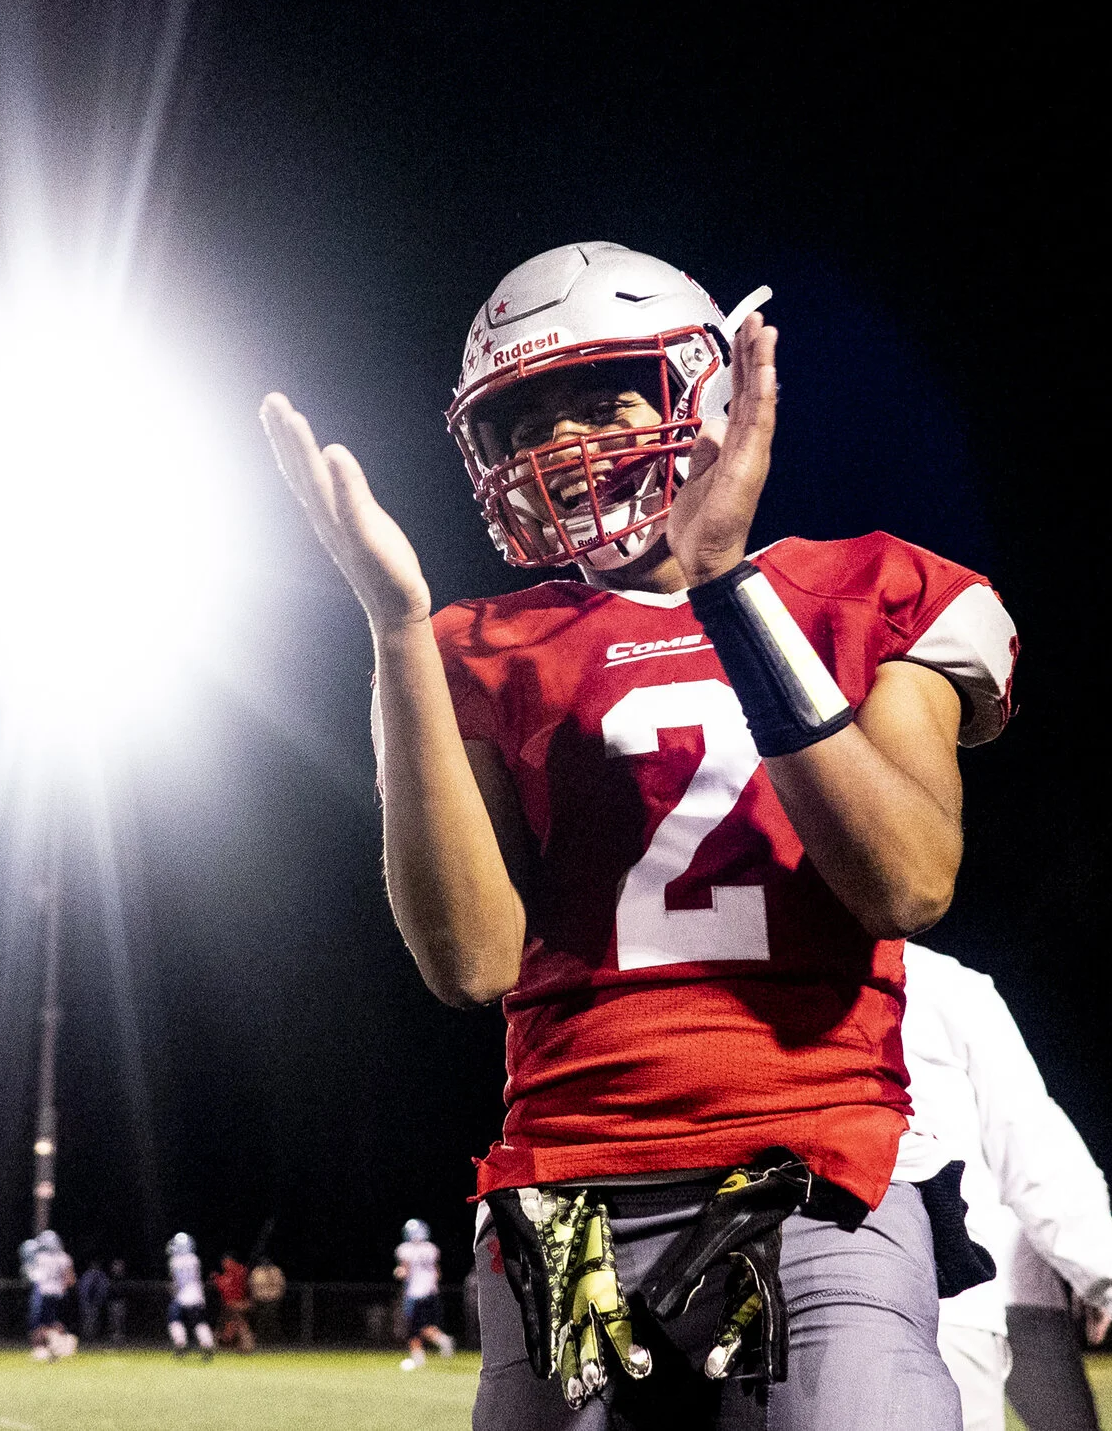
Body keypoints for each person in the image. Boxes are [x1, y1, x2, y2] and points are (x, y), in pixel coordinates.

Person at [262, 241, 1018, 1430]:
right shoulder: (473, 641)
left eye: (600, 395)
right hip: (568, 1195)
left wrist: (725, 587)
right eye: (528, 419)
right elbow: (469, 961)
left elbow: (908, 882)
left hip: (808, 1170)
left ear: (701, 388)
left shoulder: (871, 587)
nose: (560, 445)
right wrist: (397, 628)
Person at [899, 942, 1112, 1431]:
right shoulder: (943, 985)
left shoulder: (738, 972)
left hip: (765, 1300)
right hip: (947, 1299)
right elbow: (1037, 1163)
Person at [395, 1220, 453, 1371]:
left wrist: (398, 1272)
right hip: (431, 1292)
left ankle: (421, 1357)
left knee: (413, 1329)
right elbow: (438, 1274)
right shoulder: (431, 1249)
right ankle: (442, 1340)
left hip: (415, 1294)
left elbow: (404, 1272)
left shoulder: (405, 1249)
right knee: (425, 1325)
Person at [28, 1229, 76, 1360]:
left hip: (43, 1293)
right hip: (59, 1294)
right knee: (55, 1323)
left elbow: (31, 1275)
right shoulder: (64, 1257)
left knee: (38, 1324)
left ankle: (41, 1349)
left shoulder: (39, 1257)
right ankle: (60, 1345)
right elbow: (71, 1280)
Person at [166, 1233, 214, 1359]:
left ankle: (180, 1342)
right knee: (199, 1322)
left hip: (181, 1296)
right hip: (196, 1295)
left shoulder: (174, 1261)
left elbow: (176, 1282)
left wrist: (172, 1291)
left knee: (174, 1319)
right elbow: (197, 1279)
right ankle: (207, 1343)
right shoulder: (194, 1259)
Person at [214, 1253, 254, 1354]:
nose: (224, 1264)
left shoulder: (238, 1271)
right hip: (231, 1306)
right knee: (232, 1323)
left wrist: (217, 1279)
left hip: (239, 1304)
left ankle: (247, 1346)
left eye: (226, 1262)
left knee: (238, 1323)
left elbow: (227, 1286)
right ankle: (242, 1345)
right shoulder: (229, 1274)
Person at [248, 1257, 286, 1345]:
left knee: (271, 1320)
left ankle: (273, 1340)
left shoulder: (276, 1271)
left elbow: (281, 1286)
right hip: (261, 1301)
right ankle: (263, 1340)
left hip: (273, 1300)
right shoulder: (257, 1271)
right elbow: (252, 1286)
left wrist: (277, 1297)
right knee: (262, 1320)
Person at [76, 1257, 111, 1349]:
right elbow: (83, 1290)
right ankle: (87, 1339)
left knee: (94, 1321)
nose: (95, 1267)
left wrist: (99, 1301)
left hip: (96, 1303)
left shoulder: (101, 1275)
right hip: (88, 1303)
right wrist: (84, 1302)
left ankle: (92, 1338)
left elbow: (104, 1289)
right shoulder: (87, 1275)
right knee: (88, 1321)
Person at [104, 1259, 128, 1346]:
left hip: (120, 1302)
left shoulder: (123, 1278)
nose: (116, 1268)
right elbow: (108, 1290)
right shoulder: (111, 1277)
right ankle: (114, 1339)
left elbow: (123, 1291)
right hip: (112, 1302)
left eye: (118, 1266)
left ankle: (120, 1340)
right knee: (112, 1321)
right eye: (115, 1266)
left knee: (119, 1322)